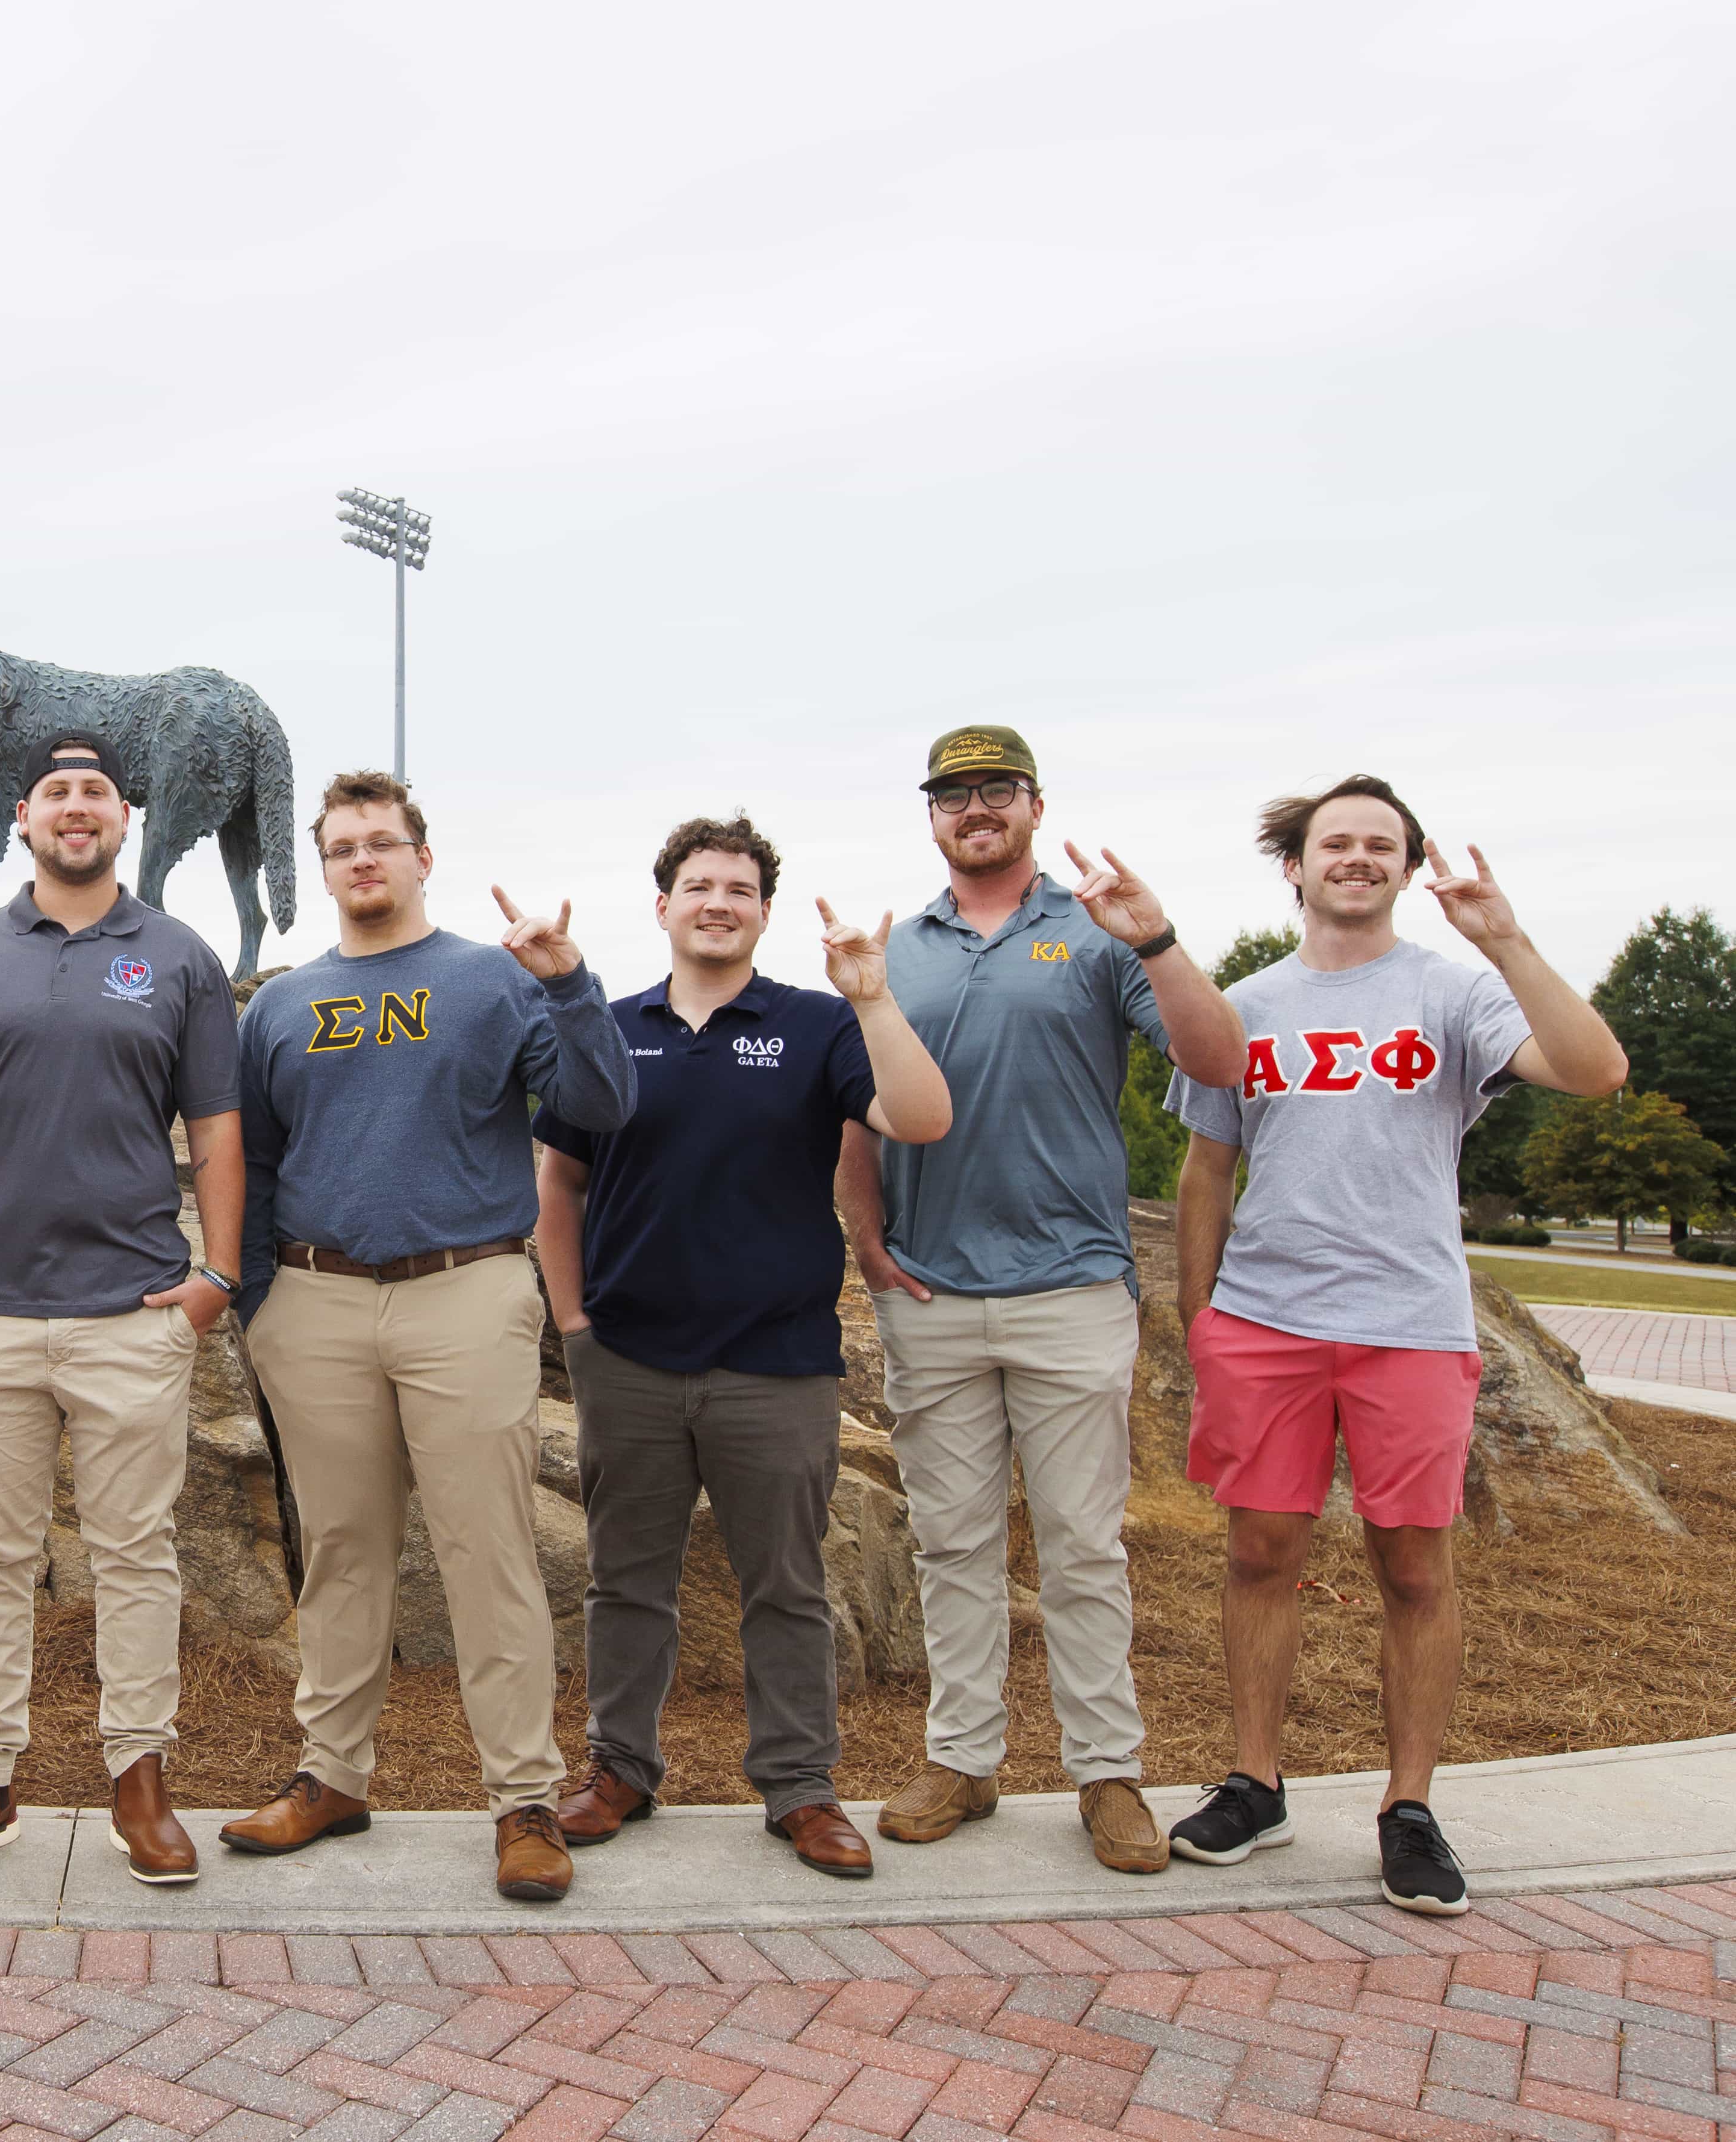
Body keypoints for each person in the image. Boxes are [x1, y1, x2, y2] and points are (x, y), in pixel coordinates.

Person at [1167, 776, 1624, 1916]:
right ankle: (1255, 1782)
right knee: (1259, 1556)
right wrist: (1201, 1321)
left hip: (1410, 1329)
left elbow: (1597, 1071)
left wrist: (1507, 938)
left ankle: (1409, 1808)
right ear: (1297, 866)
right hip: (1266, 1326)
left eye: (1382, 845)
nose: (1358, 858)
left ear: (1409, 869)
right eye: (1338, 842)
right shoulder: (1246, 1006)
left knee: (1414, 1568)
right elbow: (1206, 1169)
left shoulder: (1455, 993)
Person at [833, 725, 1248, 1876]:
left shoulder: (1098, 929)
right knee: (952, 1545)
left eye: (997, 789)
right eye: (954, 793)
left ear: (1032, 804)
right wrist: (866, 1240)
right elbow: (852, 1110)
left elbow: (1219, 1062)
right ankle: (961, 1759)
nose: (977, 807)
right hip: (931, 1294)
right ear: (931, 816)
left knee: (1081, 1548)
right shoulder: (894, 948)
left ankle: (1106, 1772)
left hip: (1071, 1287)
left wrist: (1156, 936)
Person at [217, 770, 633, 1903]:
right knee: (344, 1547)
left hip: (465, 1286)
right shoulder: (281, 1004)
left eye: (383, 842)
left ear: (421, 857)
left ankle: (523, 1799)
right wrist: (260, 1303)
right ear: (326, 863)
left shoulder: (494, 980)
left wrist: (574, 987)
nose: (363, 861)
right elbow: (246, 1162)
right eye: (343, 845)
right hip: (318, 1299)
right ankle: (332, 1773)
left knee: (488, 1549)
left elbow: (600, 1109)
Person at [0, 732, 243, 1885]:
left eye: (97, 794)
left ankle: (142, 1777)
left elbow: (218, 1129)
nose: (77, 810)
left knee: (135, 1554)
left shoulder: (179, 955)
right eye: (56, 794)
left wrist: (217, 1277)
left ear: (125, 815)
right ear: (22, 817)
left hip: (134, 1309)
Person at [535, 816, 951, 1878]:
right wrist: (576, 1326)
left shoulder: (817, 1025)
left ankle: (803, 1789)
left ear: (764, 910)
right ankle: (620, 1766)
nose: (718, 900)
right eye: (698, 884)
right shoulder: (611, 1027)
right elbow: (559, 1183)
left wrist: (872, 992)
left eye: (739, 887)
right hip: (626, 1358)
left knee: (787, 1587)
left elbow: (921, 1116)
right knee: (628, 1581)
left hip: (778, 1361)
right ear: (663, 904)